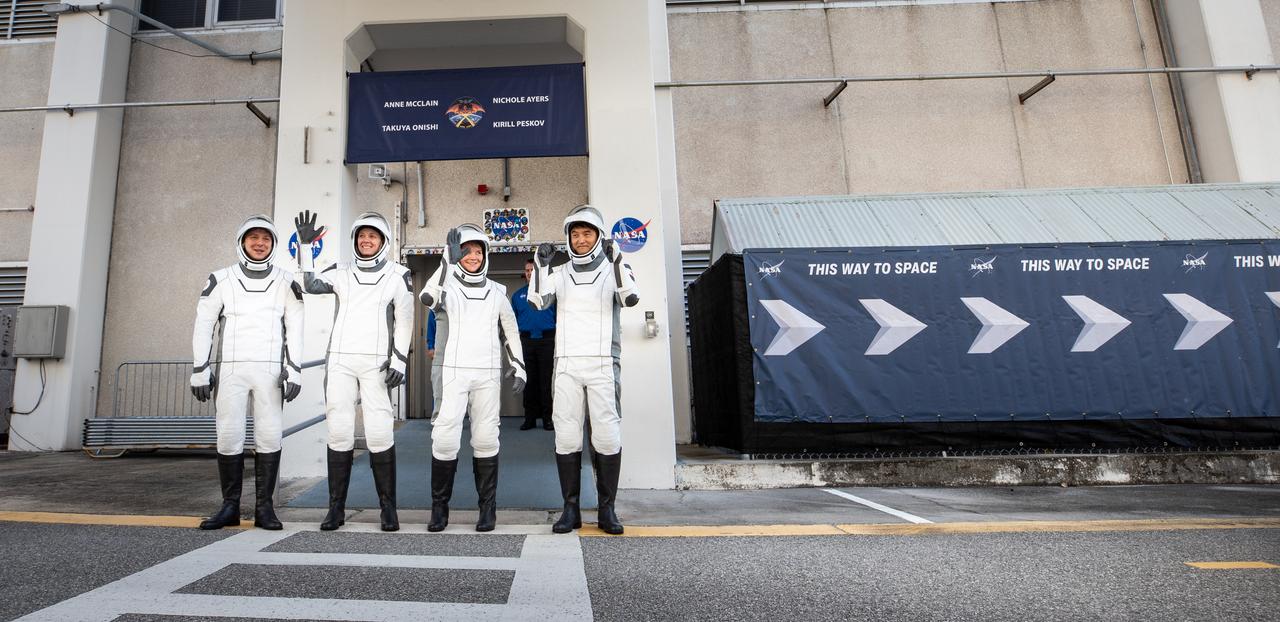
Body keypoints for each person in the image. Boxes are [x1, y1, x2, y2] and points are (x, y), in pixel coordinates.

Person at [294, 210, 413, 532]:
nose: (366, 240)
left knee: (380, 432)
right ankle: (336, 509)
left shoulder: (398, 274)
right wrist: (306, 248)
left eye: (372, 235)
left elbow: (404, 320)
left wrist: (399, 360)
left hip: (377, 363)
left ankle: (388, 509)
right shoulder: (341, 271)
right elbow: (310, 285)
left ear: (384, 240)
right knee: (339, 431)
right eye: (361, 235)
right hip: (340, 362)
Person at [528, 204, 639, 535]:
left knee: (606, 436)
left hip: (603, 363)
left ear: (598, 235)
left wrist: (617, 260)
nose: (580, 240)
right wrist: (540, 265)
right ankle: (570, 509)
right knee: (566, 436)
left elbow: (630, 298)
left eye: (587, 233)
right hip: (566, 364)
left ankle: (607, 509)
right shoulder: (561, 273)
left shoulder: (615, 267)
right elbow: (538, 302)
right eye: (575, 234)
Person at [191, 214, 303, 531]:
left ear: (273, 244)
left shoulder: (286, 281)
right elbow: (203, 325)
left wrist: (294, 369)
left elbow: (296, 328)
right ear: (241, 241)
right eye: (253, 237)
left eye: (266, 238)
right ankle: (230, 506)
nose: (259, 243)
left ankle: (265, 508)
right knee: (229, 436)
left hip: (270, 372)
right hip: (231, 370)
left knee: (269, 435)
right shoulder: (221, 279)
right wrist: (200, 368)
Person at [419, 224, 527, 532]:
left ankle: (487, 509)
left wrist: (519, 365)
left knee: (485, 439)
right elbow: (427, 297)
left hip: (487, 374)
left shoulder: (497, 291)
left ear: (486, 255)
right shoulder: (446, 287)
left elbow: (510, 331)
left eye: (478, 251)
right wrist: (446, 261)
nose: (473, 256)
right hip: (453, 373)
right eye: (466, 251)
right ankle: (439, 510)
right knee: (444, 439)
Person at [512, 258, 556, 431]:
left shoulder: (550, 294)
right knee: (528, 381)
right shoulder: (518, 296)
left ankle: (547, 419)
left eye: (533, 270)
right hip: (526, 342)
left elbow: (558, 317)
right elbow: (512, 322)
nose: (530, 273)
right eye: (527, 270)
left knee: (546, 381)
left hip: (547, 341)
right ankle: (529, 418)